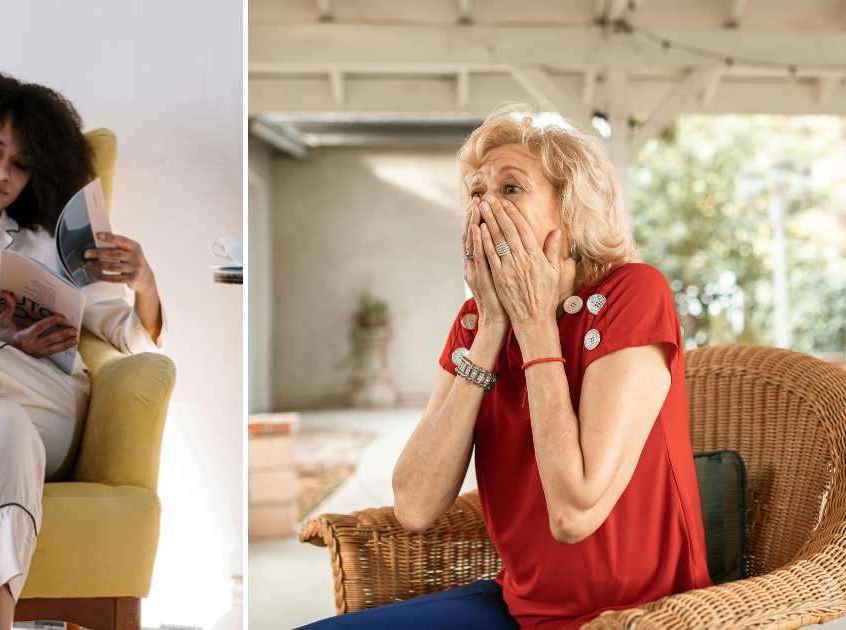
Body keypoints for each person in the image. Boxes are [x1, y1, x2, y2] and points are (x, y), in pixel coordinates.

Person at [301, 105, 712, 629]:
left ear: (570, 213)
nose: (484, 207)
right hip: (520, 610)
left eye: (511, 189)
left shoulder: (633, 293)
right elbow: (415, 505)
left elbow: (573, 514)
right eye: (477, 192)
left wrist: (535, 323)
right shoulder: (477, 323)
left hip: (640, 617)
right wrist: (495, 328)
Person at [0, 65, 167, 630]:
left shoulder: (45, 239)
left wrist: (143, 281)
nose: (1, 174)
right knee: (0, 426)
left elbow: (129, 337)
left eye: (20, 164)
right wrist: (2, 342)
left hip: (54, 403)